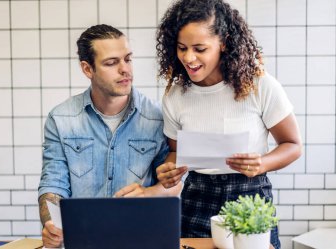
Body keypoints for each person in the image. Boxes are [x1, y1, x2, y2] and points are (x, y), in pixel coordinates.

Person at [155, 1, 302, 249]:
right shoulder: (175, 95)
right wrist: (167, 172)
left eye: (200, 48)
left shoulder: (259, 85)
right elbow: (175, 152)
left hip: (249, 196)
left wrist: (262, 163)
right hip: (197, 196)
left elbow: (293, 145)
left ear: (223, 43)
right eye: (182, 48)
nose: (188, 58)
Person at [38, 24, 181, 248]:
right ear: (88, 69)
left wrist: (148, 193)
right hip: (82, 241)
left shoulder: (157, 117)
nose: (125, 69)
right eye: (112, 63)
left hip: (141, 241)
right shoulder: (61, 118)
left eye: (128, 59)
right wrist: (51, 225)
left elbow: (174, 182)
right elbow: (53, 184)